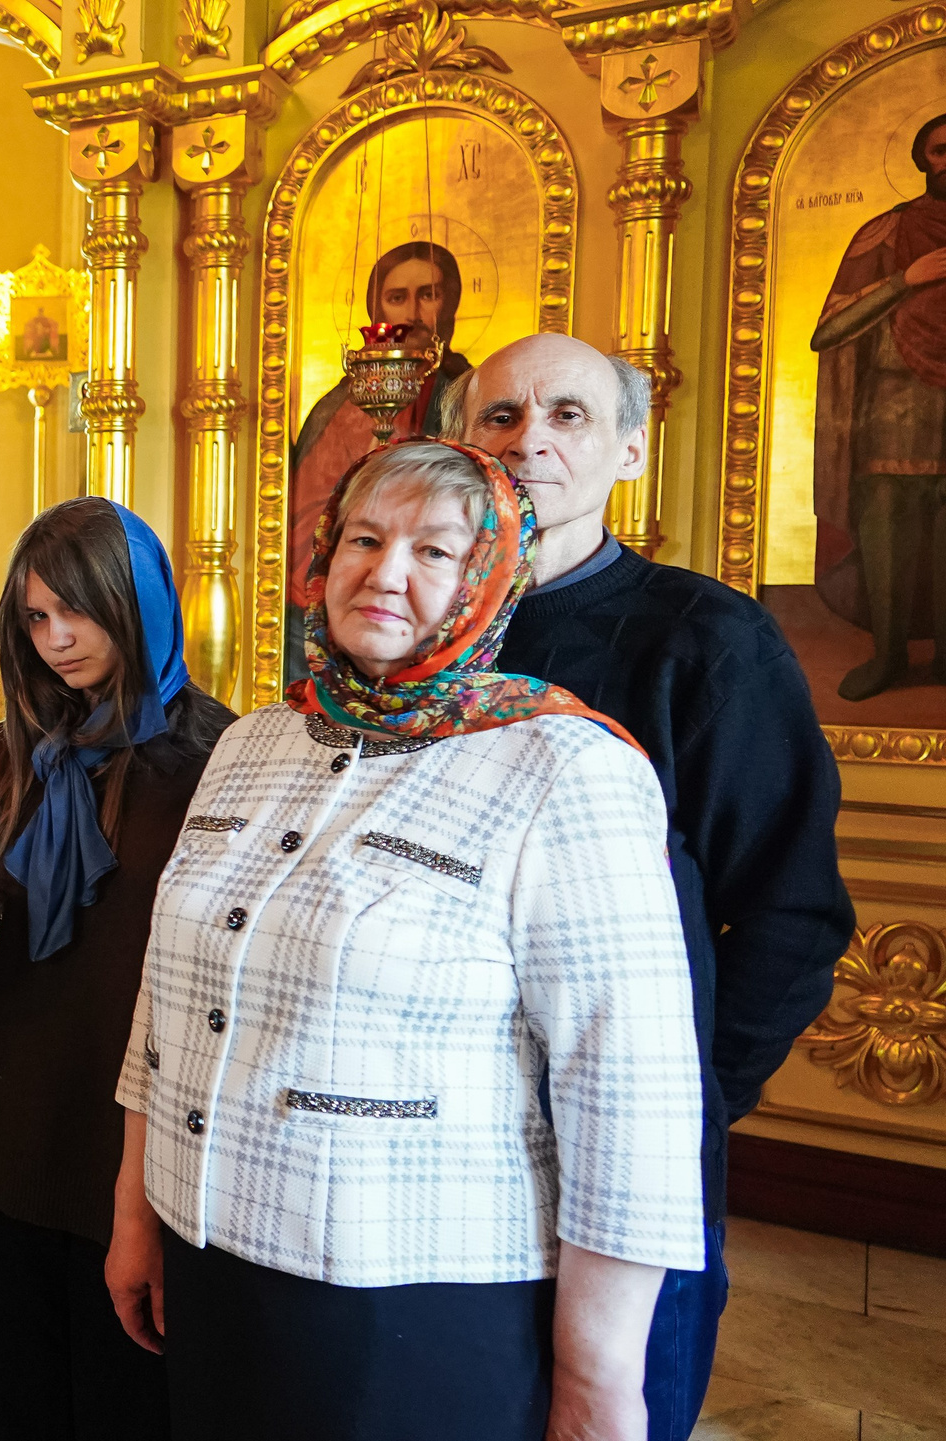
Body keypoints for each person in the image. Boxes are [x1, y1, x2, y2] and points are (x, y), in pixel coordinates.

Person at [105, 440, 705, 1440]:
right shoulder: (253, 742)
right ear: (320, 559)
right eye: (363, 538)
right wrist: (137, 1209)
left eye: (434, 552)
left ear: (488, 579)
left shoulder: (561, 767)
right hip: (210, 1261)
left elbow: (627, 1093)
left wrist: (600, 1376)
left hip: (411, 1296)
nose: (384, 571)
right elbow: (164, 998)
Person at [442, 332, 853, 1439]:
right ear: (459, 442)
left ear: (629, 449)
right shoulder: (412, 628)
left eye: (567, 415)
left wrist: (682, 1104)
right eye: (500, 416)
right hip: (437, 1156)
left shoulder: (706, 640)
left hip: (623, 1160)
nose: (529, 439)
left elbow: (791, 912)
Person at [0, 498, 232, 1440]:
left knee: (129, 1402)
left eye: (77, 611)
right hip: (4, 1128)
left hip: (136, 1146)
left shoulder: (221, 760)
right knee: (5, 1399)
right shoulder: (11, 758)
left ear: (139, 603)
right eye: (35, 618)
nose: (57, 639)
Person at [285, 240, 474, 684]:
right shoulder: (339, 410)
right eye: (396, 298)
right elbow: (303, 522)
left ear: (450, 303)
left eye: (427, 294)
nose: (411, 313)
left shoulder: (472, 397)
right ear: (376, 310)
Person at [810, 111, 946, 701]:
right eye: (941, 150)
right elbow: (829, 329)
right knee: (888, 538)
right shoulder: (887, 232)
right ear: (923, 161)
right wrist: (905, 280)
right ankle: (888, 657)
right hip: (894, 412)